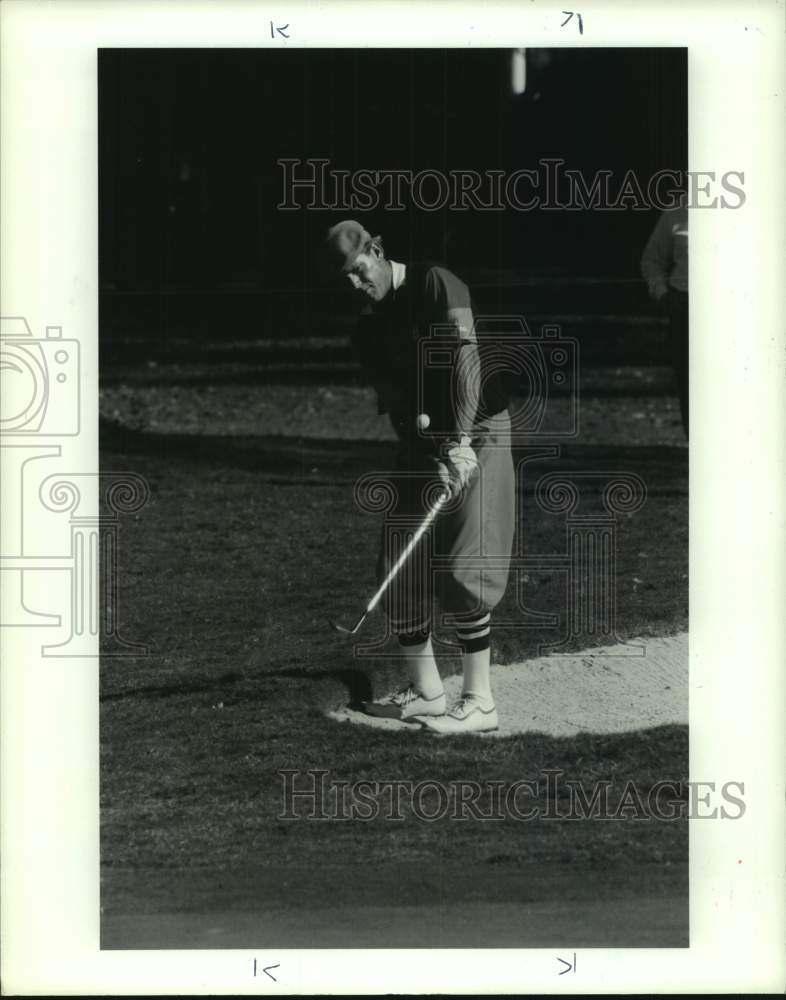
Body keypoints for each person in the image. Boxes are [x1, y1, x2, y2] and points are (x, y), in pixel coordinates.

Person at [318, 220, 515, 734]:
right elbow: (401, 405)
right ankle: (427, 692)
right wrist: (430, 452)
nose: (357, 286)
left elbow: (465, 364)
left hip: (481, 431)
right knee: (397, 564)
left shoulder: (435, 283)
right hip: (426, 446)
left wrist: (461, 443)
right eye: (345, 282)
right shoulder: (367, 329)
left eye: (360, 272)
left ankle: (480, 701)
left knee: (465, 566)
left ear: (378, 250)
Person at [640, 201, 689, 438]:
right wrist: (663, 294)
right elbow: (652, 260)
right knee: (691, 394)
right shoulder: (678, 210)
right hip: (685, 313)